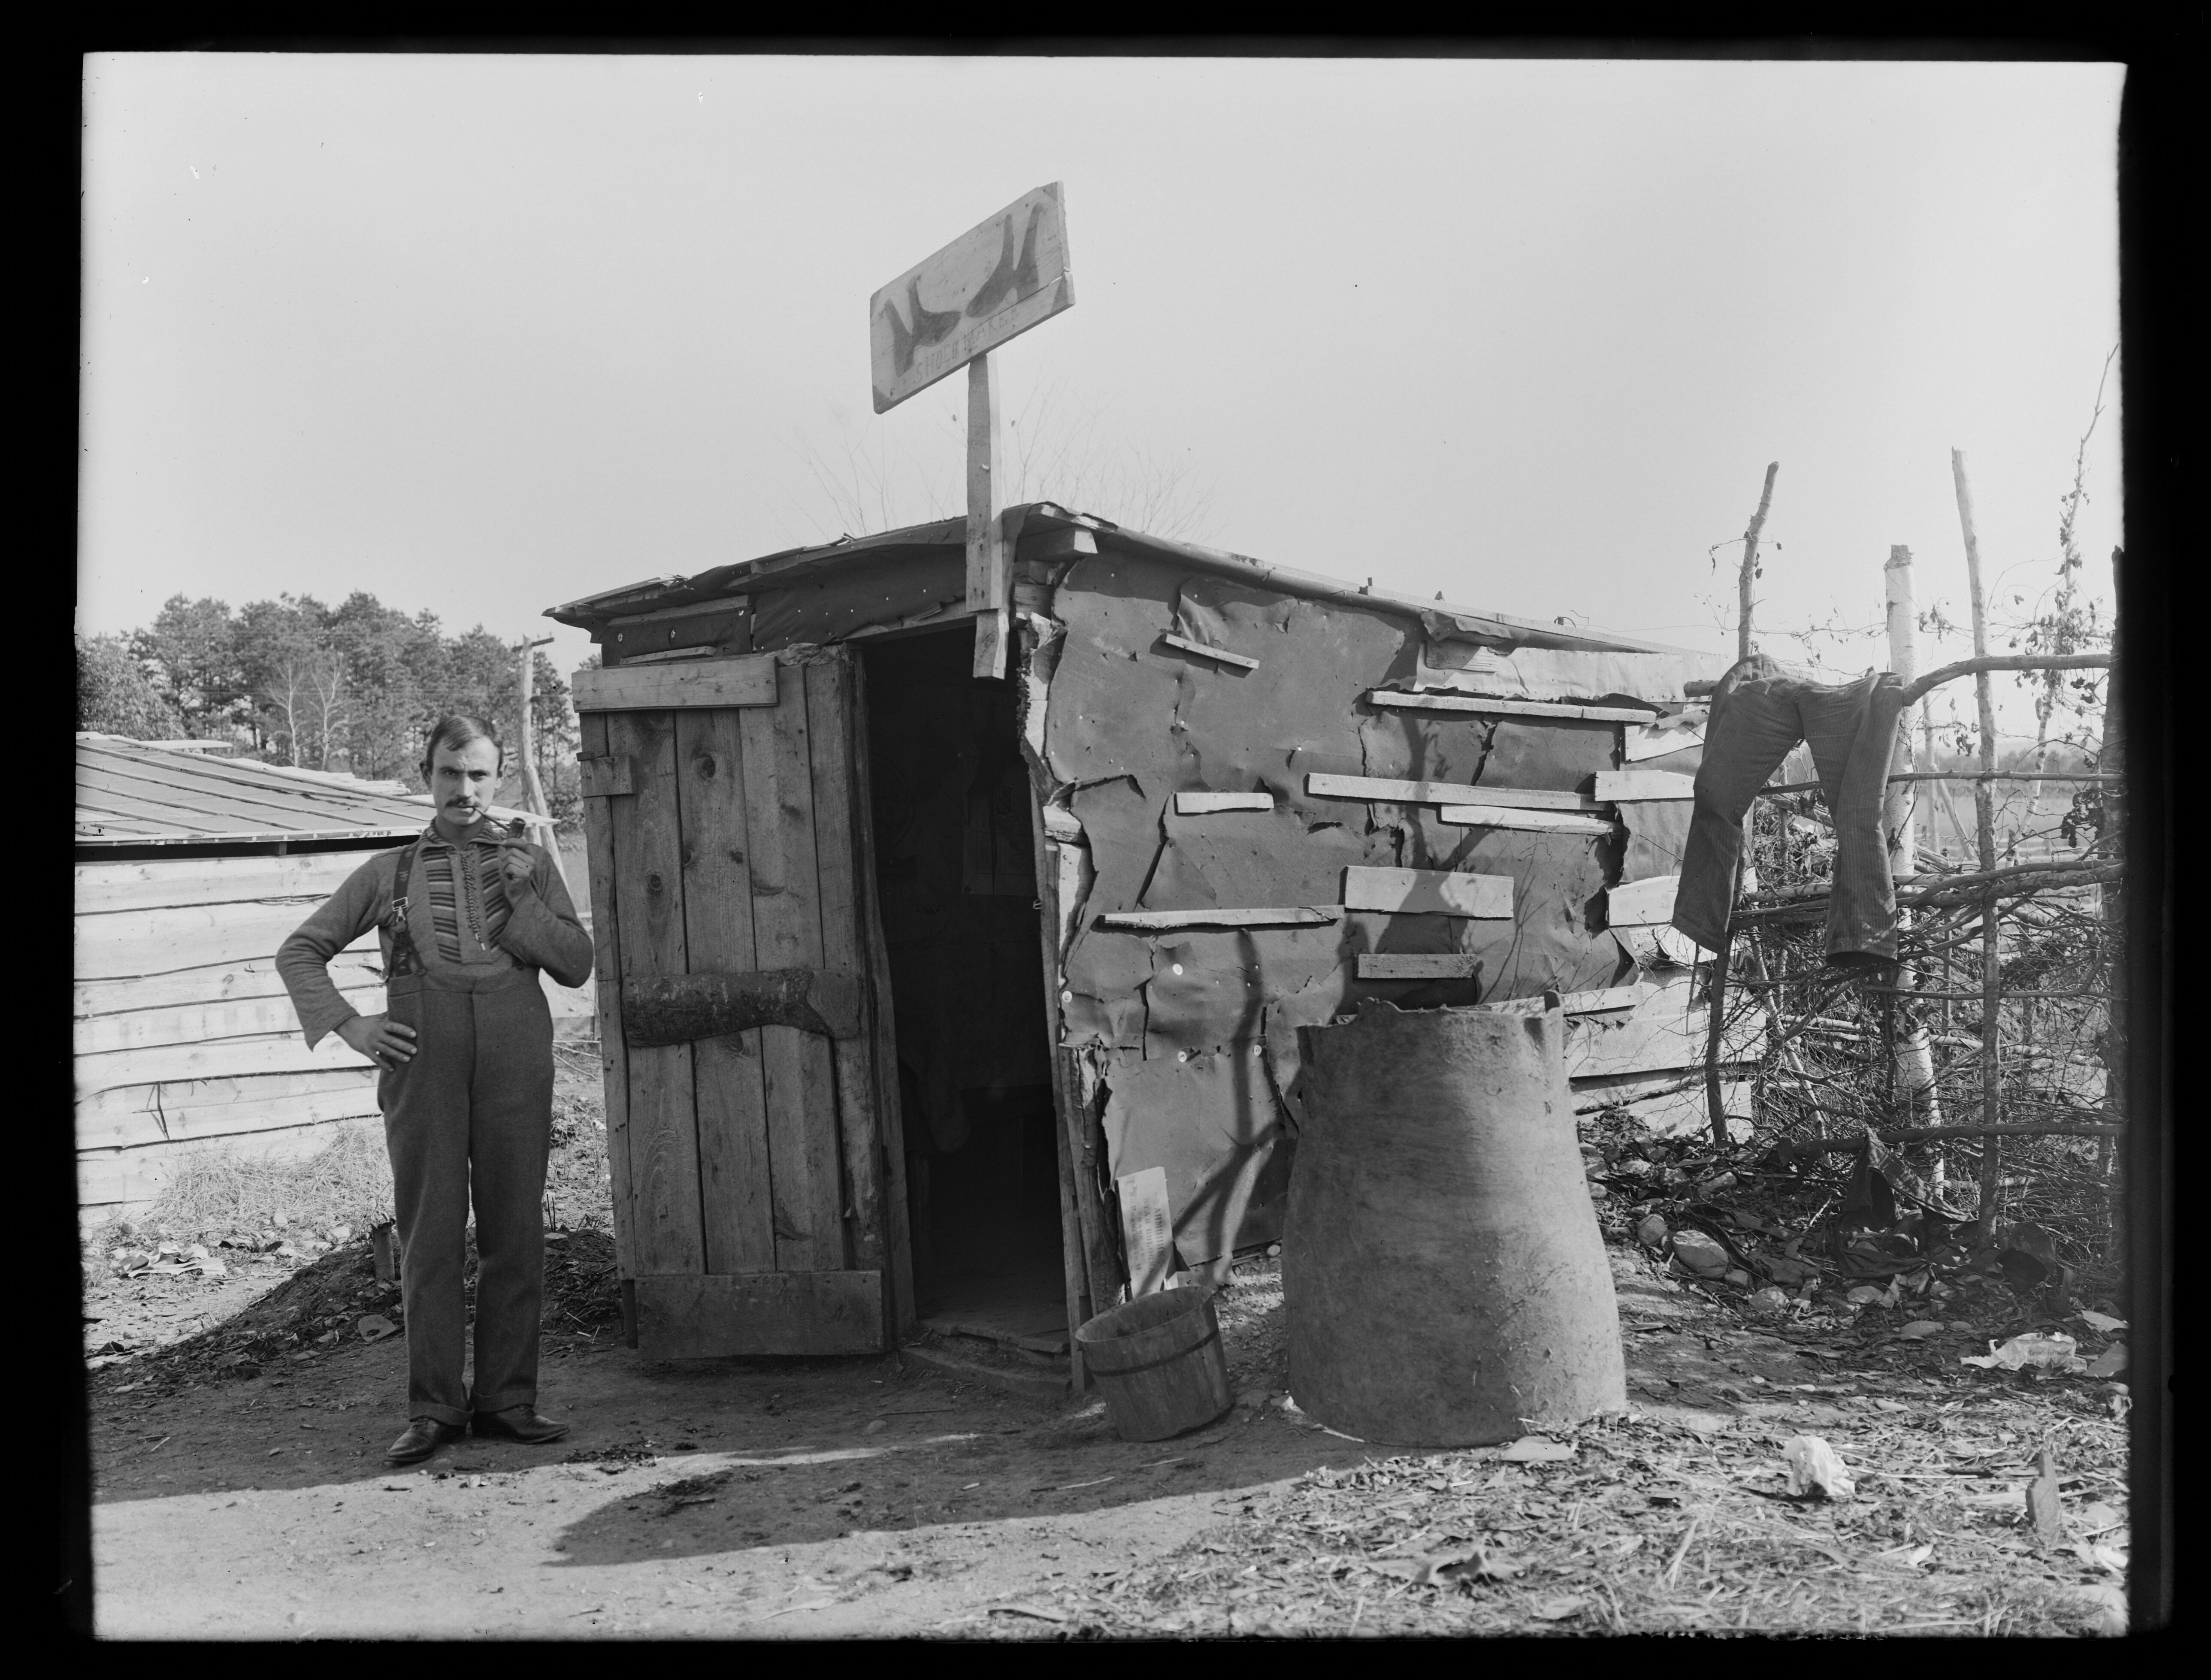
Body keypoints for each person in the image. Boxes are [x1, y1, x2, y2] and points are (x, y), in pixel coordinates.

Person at [278, 716, 595, 1465]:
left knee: (516, 1228)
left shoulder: (532, 863)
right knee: (431, 1233)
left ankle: (508, 1401)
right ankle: (434, 1410)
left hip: (518, 1060)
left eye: (479, 775)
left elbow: (578, 965)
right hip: (424, 1067)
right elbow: (301, 951)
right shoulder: (388, 873)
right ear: (428, 775)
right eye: (450, 774)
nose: (465, 789)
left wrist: (521, 900)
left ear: (498, 779)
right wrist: (352, 1027)